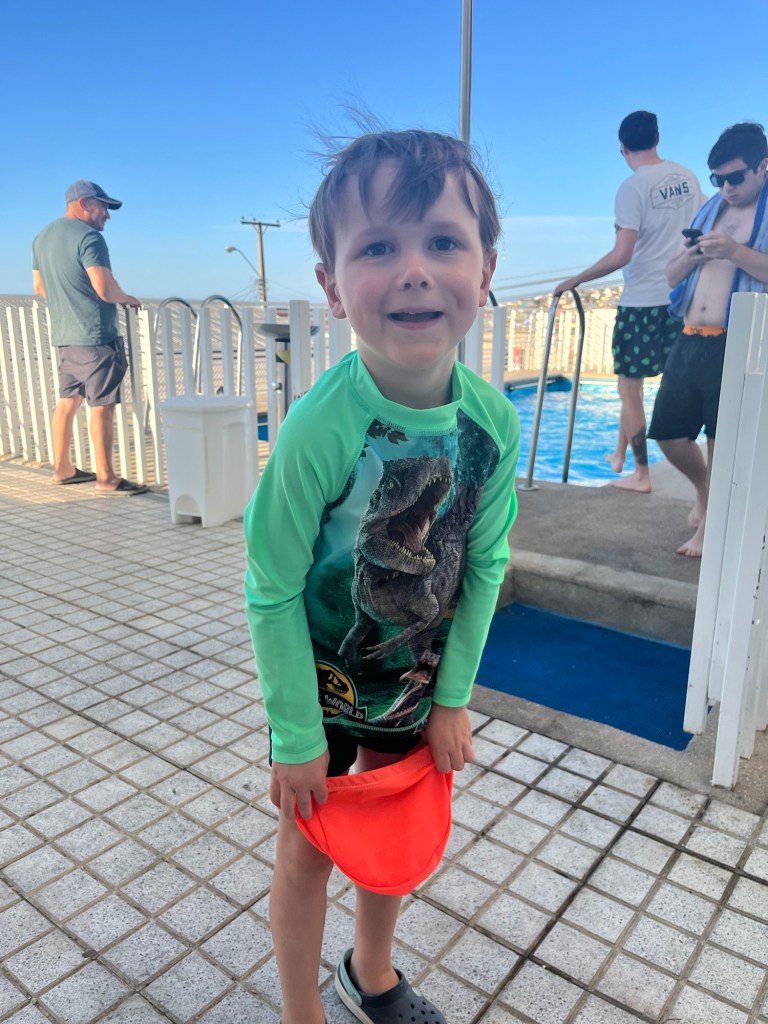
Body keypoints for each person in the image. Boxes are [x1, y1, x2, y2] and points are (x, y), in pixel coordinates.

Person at [243, 129, 519, 1024]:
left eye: (442, 241)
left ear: (485, 269)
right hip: (321, 681)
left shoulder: (493, 424)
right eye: (378, 248)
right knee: (308, 848)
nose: (414, 271)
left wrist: (453, 698)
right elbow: (271, 585)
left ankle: (371, 972)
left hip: (412, 678)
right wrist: (295, 734)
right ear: (332, 285)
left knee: (390, 835)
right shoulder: (319, 429)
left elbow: (486, 562)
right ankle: (302, 1012)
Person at [554, 111, 704, 492]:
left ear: (622, 148)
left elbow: (622, 254)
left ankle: (641, 474)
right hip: (682, 299)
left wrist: (576, 279)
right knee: (640, 387)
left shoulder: (632, 188)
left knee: (629, 390)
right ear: (657, 138)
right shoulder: (687, 177)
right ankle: (621, 456)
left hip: (641, 303)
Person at [648, 122, 768, 557]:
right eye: (718, 179)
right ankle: (704, 492)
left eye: (735, 177)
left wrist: (734, 251)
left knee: (721, 442)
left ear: (763, 167)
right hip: (690, 338)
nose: (727, 188)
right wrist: (694, 255)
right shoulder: (710, 211)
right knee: (669, 434)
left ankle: (710, 533)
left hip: (739, 342)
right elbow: (671, 275)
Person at [32, 180, 147, 494]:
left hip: (65, 336)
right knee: (102, 406)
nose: (107, 214)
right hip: (95, 336)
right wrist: (128, 298)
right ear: (84, 203)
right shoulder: (89, 237)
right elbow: (105, 288)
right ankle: (106, 478)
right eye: (104, 206)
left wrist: (70, 300)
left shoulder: (42, 238)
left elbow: (40, 288)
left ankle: (62, 469)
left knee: (67, 402)